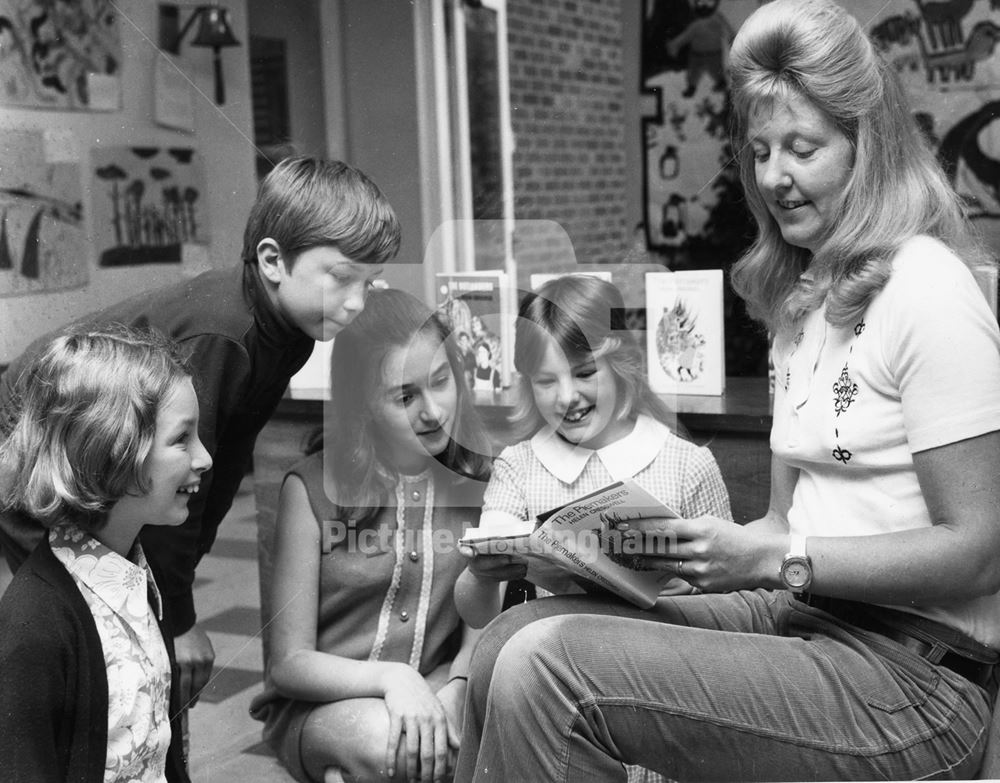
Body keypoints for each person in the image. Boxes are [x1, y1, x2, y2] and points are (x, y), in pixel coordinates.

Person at [454, 1, 1000, 780]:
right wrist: (642, 556)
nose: (774, 175)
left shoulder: (928, 288)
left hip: (913, 678)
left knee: (552, 667)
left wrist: (779, 557)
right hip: (804, 618)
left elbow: (979, 552)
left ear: (865, 145)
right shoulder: (804, 298)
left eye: (802, 148)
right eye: (762, 149)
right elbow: (782, 524)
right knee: (513, 637)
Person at [0, 156, 400, 707]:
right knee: (90, 634)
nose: (356, 302)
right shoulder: (225, 337)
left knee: (132, 627)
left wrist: (171, 597)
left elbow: (219, 465)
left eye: (368, 282)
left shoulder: (291, 332)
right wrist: (179, 617)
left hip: (104, 458)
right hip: (26, 442)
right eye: (340, 278)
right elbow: (175, 475)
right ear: (272, 261)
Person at [249, 288, 493, 783]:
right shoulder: (311, 488)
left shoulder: (481, 485)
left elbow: (478, 636)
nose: (433, 411)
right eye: (404, 396)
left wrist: (451, 692)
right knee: (395, 747)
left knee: (450, 743)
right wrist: (392, 679)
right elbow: (288, 663)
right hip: (323, 707)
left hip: (440, 685)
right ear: (362, 404)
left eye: (441, 382)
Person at [454, 274, 732, 630]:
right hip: (554, 656)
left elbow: (731, 602)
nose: (566, 396)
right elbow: (479, 616)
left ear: (620, 364)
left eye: (584, 373)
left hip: (662, 660)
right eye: (546, 381)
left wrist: (690, 593)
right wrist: (480, 576)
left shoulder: (686, 465)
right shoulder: (518, 467)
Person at [0, 325, 212, 782]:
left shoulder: (136, 578)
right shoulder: (34, 621)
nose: (205, 457)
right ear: (114, 453)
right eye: (182, 439)